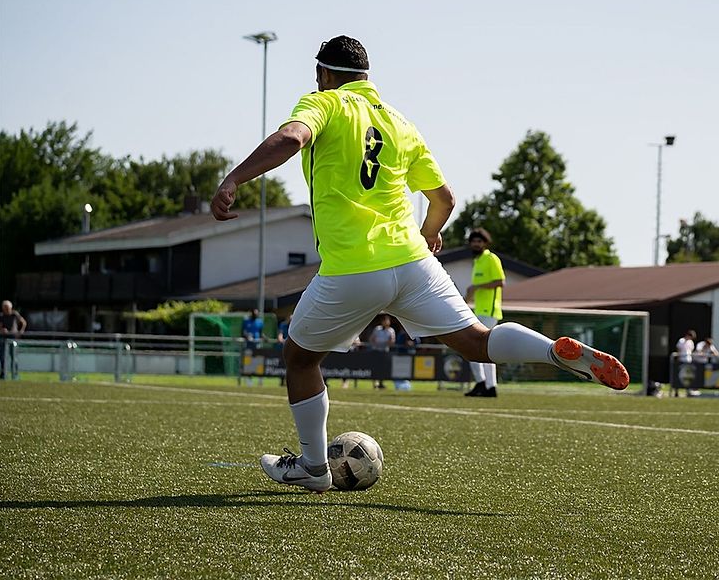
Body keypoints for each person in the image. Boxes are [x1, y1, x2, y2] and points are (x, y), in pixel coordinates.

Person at [210, 35, 629, 494]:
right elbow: (444, 198)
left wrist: (234, 178)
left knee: (299, 358)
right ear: (367, 78)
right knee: (476, 342)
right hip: (413, 262)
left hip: (353, 267)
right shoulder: (401, 123)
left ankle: (313, 468)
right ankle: (550, 351)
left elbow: (292, 137)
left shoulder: (325, 104)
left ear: (324, 75)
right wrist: (430, 235)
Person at [463, 227, 505, 398]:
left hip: (489, 311)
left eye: (479, 241)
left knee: (476, 347)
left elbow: (500, 282)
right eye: (473, 241)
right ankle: (489, 386)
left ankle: (484, 384)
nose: (476, 244)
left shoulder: (491, 258)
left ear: (485, 243)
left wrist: (476, 287)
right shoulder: (477, 262)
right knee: (483, 349)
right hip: (479, 310)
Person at [0, 300, 27, 379]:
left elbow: (23, 322)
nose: (6, 310)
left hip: (13, 338)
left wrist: (21, 331)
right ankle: (3, 374)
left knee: (14, 357)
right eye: (4, 308)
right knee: (3, 357)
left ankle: (15, 374)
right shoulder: (1, 316)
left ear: (10, 308)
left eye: (7, 308)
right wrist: (2, 330)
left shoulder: (14, 314)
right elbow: (0, 326)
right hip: (4, 338)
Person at [368, 314, 396, 389]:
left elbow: (392, 342)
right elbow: (371, 339)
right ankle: (374, 383)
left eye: (387, 320)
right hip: (376, 351)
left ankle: (381, 383)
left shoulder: (391, 331)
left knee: (383, 368)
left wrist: (390, 341)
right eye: (385, 320)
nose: (386, 322)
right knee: (375, 367)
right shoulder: (377, 329)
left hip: (385, 351)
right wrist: (376, 343)